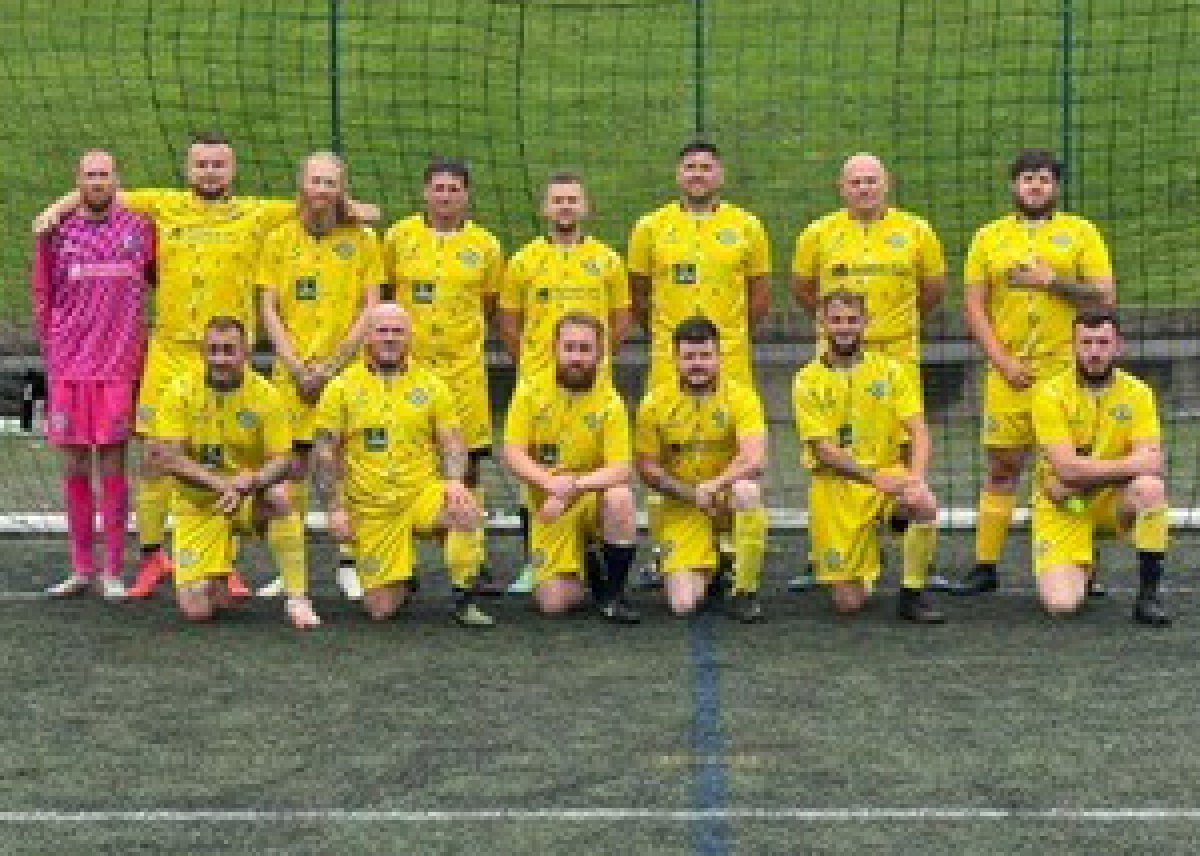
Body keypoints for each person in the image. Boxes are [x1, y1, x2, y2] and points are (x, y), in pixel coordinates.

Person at [33, 132, 377, 598]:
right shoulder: (162, 205)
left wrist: (351, 205)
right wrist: (58, 206)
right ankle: (153, 556)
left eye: (218, 165)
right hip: (171, 351)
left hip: (226, 352)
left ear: (231, 170)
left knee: (230, 453)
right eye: (201, 164)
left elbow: (316, 198)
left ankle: (222, 562)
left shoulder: (257, 214)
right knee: (156, 456)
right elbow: (100, 190)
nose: (210, 172)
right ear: (189, 169)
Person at [935, 148, 1115, 596]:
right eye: (1027, 179)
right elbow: (974, 307)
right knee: (1002, 468)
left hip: (1064, 376)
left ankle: (1079, 561)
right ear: (1014, 186)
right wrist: (1002, 360)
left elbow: (1104, 298)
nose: (1035, 186)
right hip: (1009, 372)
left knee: (1069, 472)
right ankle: (985, 566)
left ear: (1056, 187)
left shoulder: (1081, 233)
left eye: (1044, 179)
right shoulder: (989, 238)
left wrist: (1051, 282)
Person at [789, 152, 946, 591]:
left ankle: (910, 557)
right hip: (836, 364)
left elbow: (932, 290)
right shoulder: (818, 234)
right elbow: (803, 289)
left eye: (871, 180)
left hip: (895, 359)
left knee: (899, 455)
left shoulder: (916, 231)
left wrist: (892, 327)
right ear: (841, 188)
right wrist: (842, 326)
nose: (864, 188)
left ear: (886, 184)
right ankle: (825, 549)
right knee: (831, 455)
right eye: (855, 181)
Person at [628, 140, 771, 588]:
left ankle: (728, 549)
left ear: (720, 175)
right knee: (663, 452)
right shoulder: (651, 227)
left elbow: (760, 294)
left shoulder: (747, 226)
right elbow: (638, 293)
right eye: (690, 167)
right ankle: (664, 548)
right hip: (669, 361)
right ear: (678, 175)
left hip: (726, 359)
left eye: (706, 167)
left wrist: (728, 338)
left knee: (731, 450)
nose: (698, 174)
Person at [312, 303, 494, 626]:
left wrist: (454, 480)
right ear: (367, 336)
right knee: (381, 610)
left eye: (398, 331)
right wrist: (334, 508)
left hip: (420, 494)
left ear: (410, 336)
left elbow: (452, 441)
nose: (390, 338)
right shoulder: (341, 387)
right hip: (373, 507)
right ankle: (403, 573)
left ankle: (464, 597)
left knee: (465, 506)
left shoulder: (432, 385)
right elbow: (324, 452)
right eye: (382, 331)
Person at [254, 152, 383, 601]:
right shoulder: (277, 239)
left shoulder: (363, 239)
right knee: (291, 468)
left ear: (342, 189)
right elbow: (268, 308)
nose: (322, 190)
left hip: (345, 375)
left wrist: (333, 366)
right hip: (291, 374)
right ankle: (292, 568)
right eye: (316, 181)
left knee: (343, 467)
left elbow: (371, 307)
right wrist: (293, 365)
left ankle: (348, 561)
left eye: (331, 182)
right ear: (302, 185)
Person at [498, 171, 632, 593]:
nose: (565, 207)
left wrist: (593, 356)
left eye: (572, 200)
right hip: (541, 385)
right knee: (534, 475)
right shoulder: (523, 261)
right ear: (545, 208)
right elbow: (507, 321)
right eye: (557, 200)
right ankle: (534, 560)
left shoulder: (608, 261)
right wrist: (534, 365)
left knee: (597, 472)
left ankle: (594, 550)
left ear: (585, 207)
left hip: (590, 381)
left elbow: (621, 319)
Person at [35, 150, 155, 600]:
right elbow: (42, 293)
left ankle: (111, 570)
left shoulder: (140, 228)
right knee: (73, 462)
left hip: (118, 366)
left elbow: (160, 276)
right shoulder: (56, 231)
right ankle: (80, 567)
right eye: (90, 176)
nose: (98, 182)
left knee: (112, 461)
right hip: (69, 366)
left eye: (105, 175)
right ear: (78, 180)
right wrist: (54, 351)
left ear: (117, 180)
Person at [145, 317, 318, 627]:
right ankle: (218, 569)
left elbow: (284, 461)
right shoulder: (179, 392)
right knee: (197, 609)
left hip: (248, 497)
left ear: (246, 352)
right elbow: (169, 458)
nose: (221, 358)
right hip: (196, 505)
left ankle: (297, 598)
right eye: (213, 350)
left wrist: (252, 482)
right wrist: (223, 484)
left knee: (279, 499)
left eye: (229, 350)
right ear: (203, 352)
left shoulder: (266, 395)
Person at [382, 159, 505, 596]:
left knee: (468, 465)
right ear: (425, 192)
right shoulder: (398, 237)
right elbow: (385, 299)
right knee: (405, 460)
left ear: (466, 196)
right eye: (438, 188)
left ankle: (474, 561)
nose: (446, 196)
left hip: (463, 375)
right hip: (409, 373)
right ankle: (403, 561)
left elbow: (490, 305)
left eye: (454, 189)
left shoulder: (486, 246)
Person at [792, 291, 944, 622]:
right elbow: (823, 450)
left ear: (865, 323)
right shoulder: (806, 381)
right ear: (822, 324)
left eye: (851, 320)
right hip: (836, 488)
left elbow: (918, 430)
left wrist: (915, 479)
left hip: (887, 475)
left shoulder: (891, 371)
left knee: (924, 503)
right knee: (849, 604)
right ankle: (871, 551)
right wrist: (874, 478)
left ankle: (912, 594)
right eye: (836, 320)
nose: (844, 328)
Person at [1029, 310, 1170, 624]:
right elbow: (1065, 471)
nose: (1094, 351)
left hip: (1107, 503)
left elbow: (1153, 462)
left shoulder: (1139, 394)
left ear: (1118, 346)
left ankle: (1148, 597)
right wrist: (1127, 466)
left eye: (1103, 342)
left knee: (1150, 488)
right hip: (1064, 506)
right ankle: (1086, 561)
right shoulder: (1048, 394)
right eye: (1086, 342)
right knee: (1062, 606)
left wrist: (1080, 474)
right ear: (1073, 346)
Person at [502, 313, 640, 623]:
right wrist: (550, 485)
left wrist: (572, 486)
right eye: (570, 347)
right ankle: (588, 561)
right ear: (555, 348)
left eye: (584, 349)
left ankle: (613, 595)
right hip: (547, 508)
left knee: (621, 498)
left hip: (589, 500)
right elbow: (513, 453)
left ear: (600, 353)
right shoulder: (528, 392)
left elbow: (620, 469)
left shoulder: (610, 402)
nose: (576, 357)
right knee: (553, 604)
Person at [635, 317, 768, 622]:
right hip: (684, 506)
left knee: (747, 490)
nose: (698, 364)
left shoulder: (742, 397)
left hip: (726, 499)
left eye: (706, 356)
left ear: (719, 357)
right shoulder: (654, 403)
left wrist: (715, 485)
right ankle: (716, 561)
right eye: (689, 357)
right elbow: (647, 469)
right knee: (683, 605)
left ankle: (744, 590)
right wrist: (691, 494)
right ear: (675, 359)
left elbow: (754, 460)